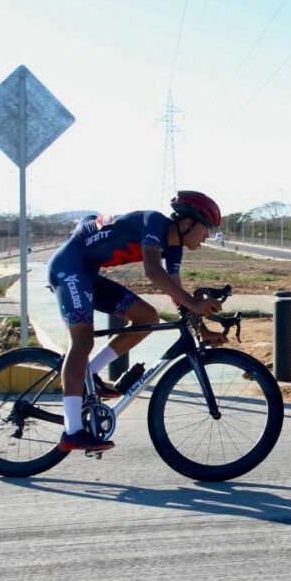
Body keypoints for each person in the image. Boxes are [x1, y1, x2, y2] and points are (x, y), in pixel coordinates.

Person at [47, 191, 228, 452]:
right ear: (187, 223)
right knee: (82, 340)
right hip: (70, 267)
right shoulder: (154, 222)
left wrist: (201, 330)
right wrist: (196, 304)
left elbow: (178, 295)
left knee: (147, 317)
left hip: (89, 274)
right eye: (206, 229)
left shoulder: (175, 248)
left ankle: (92, 372)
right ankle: (72, 431)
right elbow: (153, 271)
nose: (208, 236)